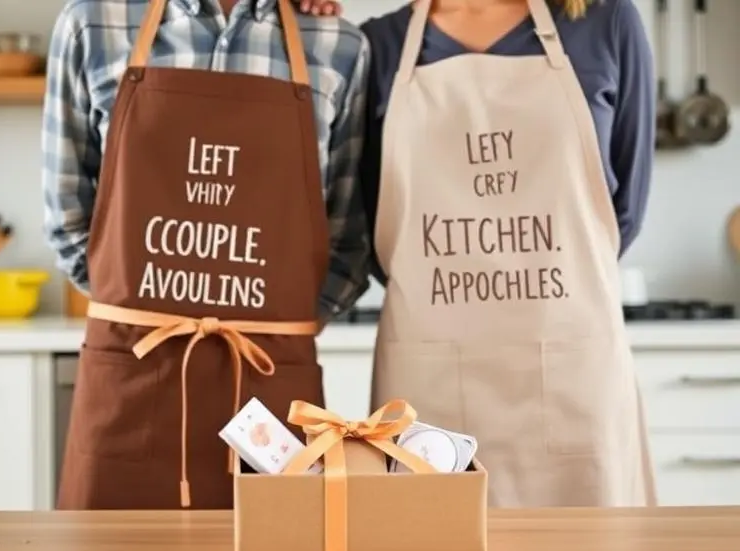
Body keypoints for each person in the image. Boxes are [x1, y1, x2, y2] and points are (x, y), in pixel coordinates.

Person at [304, 0, 657, 507]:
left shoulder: (604, 22)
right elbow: (369, 222)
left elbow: (621, 213)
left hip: (573, 375)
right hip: (429, 379)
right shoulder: (378, 45)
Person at [42, 0, 371, 510]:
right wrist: (133, 299)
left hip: (269, 381)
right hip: (130, 376)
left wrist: (274, 322)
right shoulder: (92, 23)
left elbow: (348, 240)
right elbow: (68, 217)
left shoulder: (337, 45)